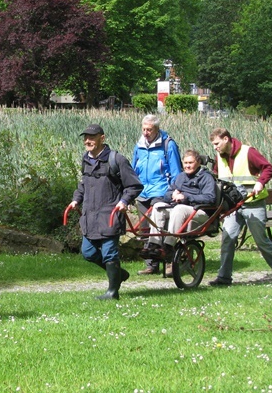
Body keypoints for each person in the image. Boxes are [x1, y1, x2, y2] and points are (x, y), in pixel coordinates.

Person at [69, 124, 143, 300]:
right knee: (88, 253)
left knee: (109, 252)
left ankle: (112, 292)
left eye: (92, 137)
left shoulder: (116, 159)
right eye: (86, 137)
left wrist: (124, 201)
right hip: (89, 216)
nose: (88, 141)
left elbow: (134, 185)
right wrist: (76, 199)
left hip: (110, 215)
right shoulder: (85, 159)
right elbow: (83, 185)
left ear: (102, 138)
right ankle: (119, 274)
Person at [208, 128, 272, 286]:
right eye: (213, 144)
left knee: (261, 240)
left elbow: (268, 168)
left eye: (217, 143)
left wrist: (260, 183)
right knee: (228, 238)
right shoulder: (219, 155)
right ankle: (224, 278)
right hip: (232, 205)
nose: (215, 147)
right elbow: (216, 174)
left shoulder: (248, 152)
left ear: (226, 139)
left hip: (253, 203)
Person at [131, 114, 182, 275]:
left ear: (157, 129)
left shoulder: (168, 144)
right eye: (144, 129)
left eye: (149, 129)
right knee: (145, 230)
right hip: (142, 192)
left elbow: (176, 172)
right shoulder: (138, 146)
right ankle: (151, 264)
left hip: (161, 191)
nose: (146, 132)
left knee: (161, 227)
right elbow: (133, 169)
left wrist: (174, 190)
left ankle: (169, 262)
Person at [146, 150, 217, 265]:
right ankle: (154, 244)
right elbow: (167, 194)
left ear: (198, 162)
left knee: (179, 209)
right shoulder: (181, 176)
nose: (187, 166)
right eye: (185, 163)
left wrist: (186, 197)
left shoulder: (206, 177)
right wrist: (172, 195)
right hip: (180, 209)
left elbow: (210, 198)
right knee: (158, 206)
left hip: (199, 211)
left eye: (191, 163)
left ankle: (169, 246)